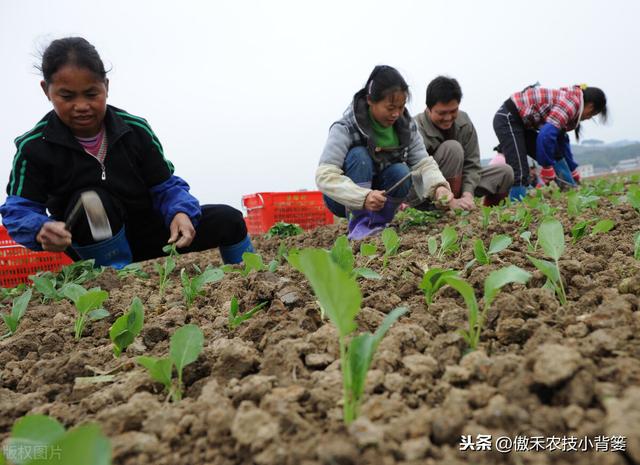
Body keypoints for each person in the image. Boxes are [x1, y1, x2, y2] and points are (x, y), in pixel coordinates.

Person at [0, 37, 252, 269]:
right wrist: (40, 228)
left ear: (106, 87)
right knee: (92, 200)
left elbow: (165, 186)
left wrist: (180, 212)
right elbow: (19, 209)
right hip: (93, 249)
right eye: (67, 96)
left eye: (91, 94)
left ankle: (252, 279)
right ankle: (115, 281)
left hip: (151, 234)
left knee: (228, 219)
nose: (81, 106)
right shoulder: (35, 146)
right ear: (47, 91)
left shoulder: (134, 130)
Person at [316, 65, 453, 240]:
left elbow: (422, 162)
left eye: (401, 107)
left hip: (380, 195)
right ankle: (361, 225)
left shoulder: (405, 126)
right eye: (390, 108)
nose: (396, 114)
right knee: (359, 156)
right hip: (344, 199)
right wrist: (363, 197)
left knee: (401, 171)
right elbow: (324, 175)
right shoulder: (346, 128)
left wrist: (438, 187)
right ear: (370, 100)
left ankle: (378, 223)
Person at [493, 83, 607, 200]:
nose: (589, 118)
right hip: (508, 118)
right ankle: (516, 206)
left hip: (523, 124)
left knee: (555, 152)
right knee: (520, 169)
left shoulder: (573, 104)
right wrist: (547, 166)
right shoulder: (572, 103)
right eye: (593, 114)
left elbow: (561, 142)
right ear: (591, 106)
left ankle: (571, 192)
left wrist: (572, 170)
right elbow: (546, 135)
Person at [414, 76, 514, 209]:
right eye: (442, 113)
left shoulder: (464, 121)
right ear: (429, 108)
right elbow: (415, 171)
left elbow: (472, 165)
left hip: (460, 181)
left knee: (505, 172)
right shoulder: (415, 128)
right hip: (429, 190)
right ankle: (447, 206)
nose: (448, 118)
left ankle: (486, 211)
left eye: (453, 111)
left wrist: (468, 193)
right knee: (453, 148)